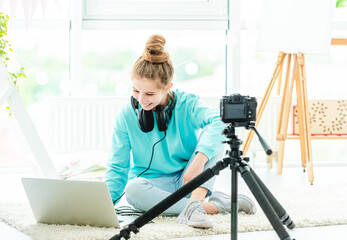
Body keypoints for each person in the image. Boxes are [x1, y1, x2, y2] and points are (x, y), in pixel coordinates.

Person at [105, 34, 256, 229]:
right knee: (133, 189)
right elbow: (118, 167)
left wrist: (199, 162)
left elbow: (220, 121)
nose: (141, 100)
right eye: (135, 91)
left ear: (168, 87)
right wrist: (103, 205)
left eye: (150, 93)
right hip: (154, 189)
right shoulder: (126, 115)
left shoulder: (187, 103)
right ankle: (209, 206)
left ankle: (196, 202)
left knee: (216, 132)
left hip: (191, 180)